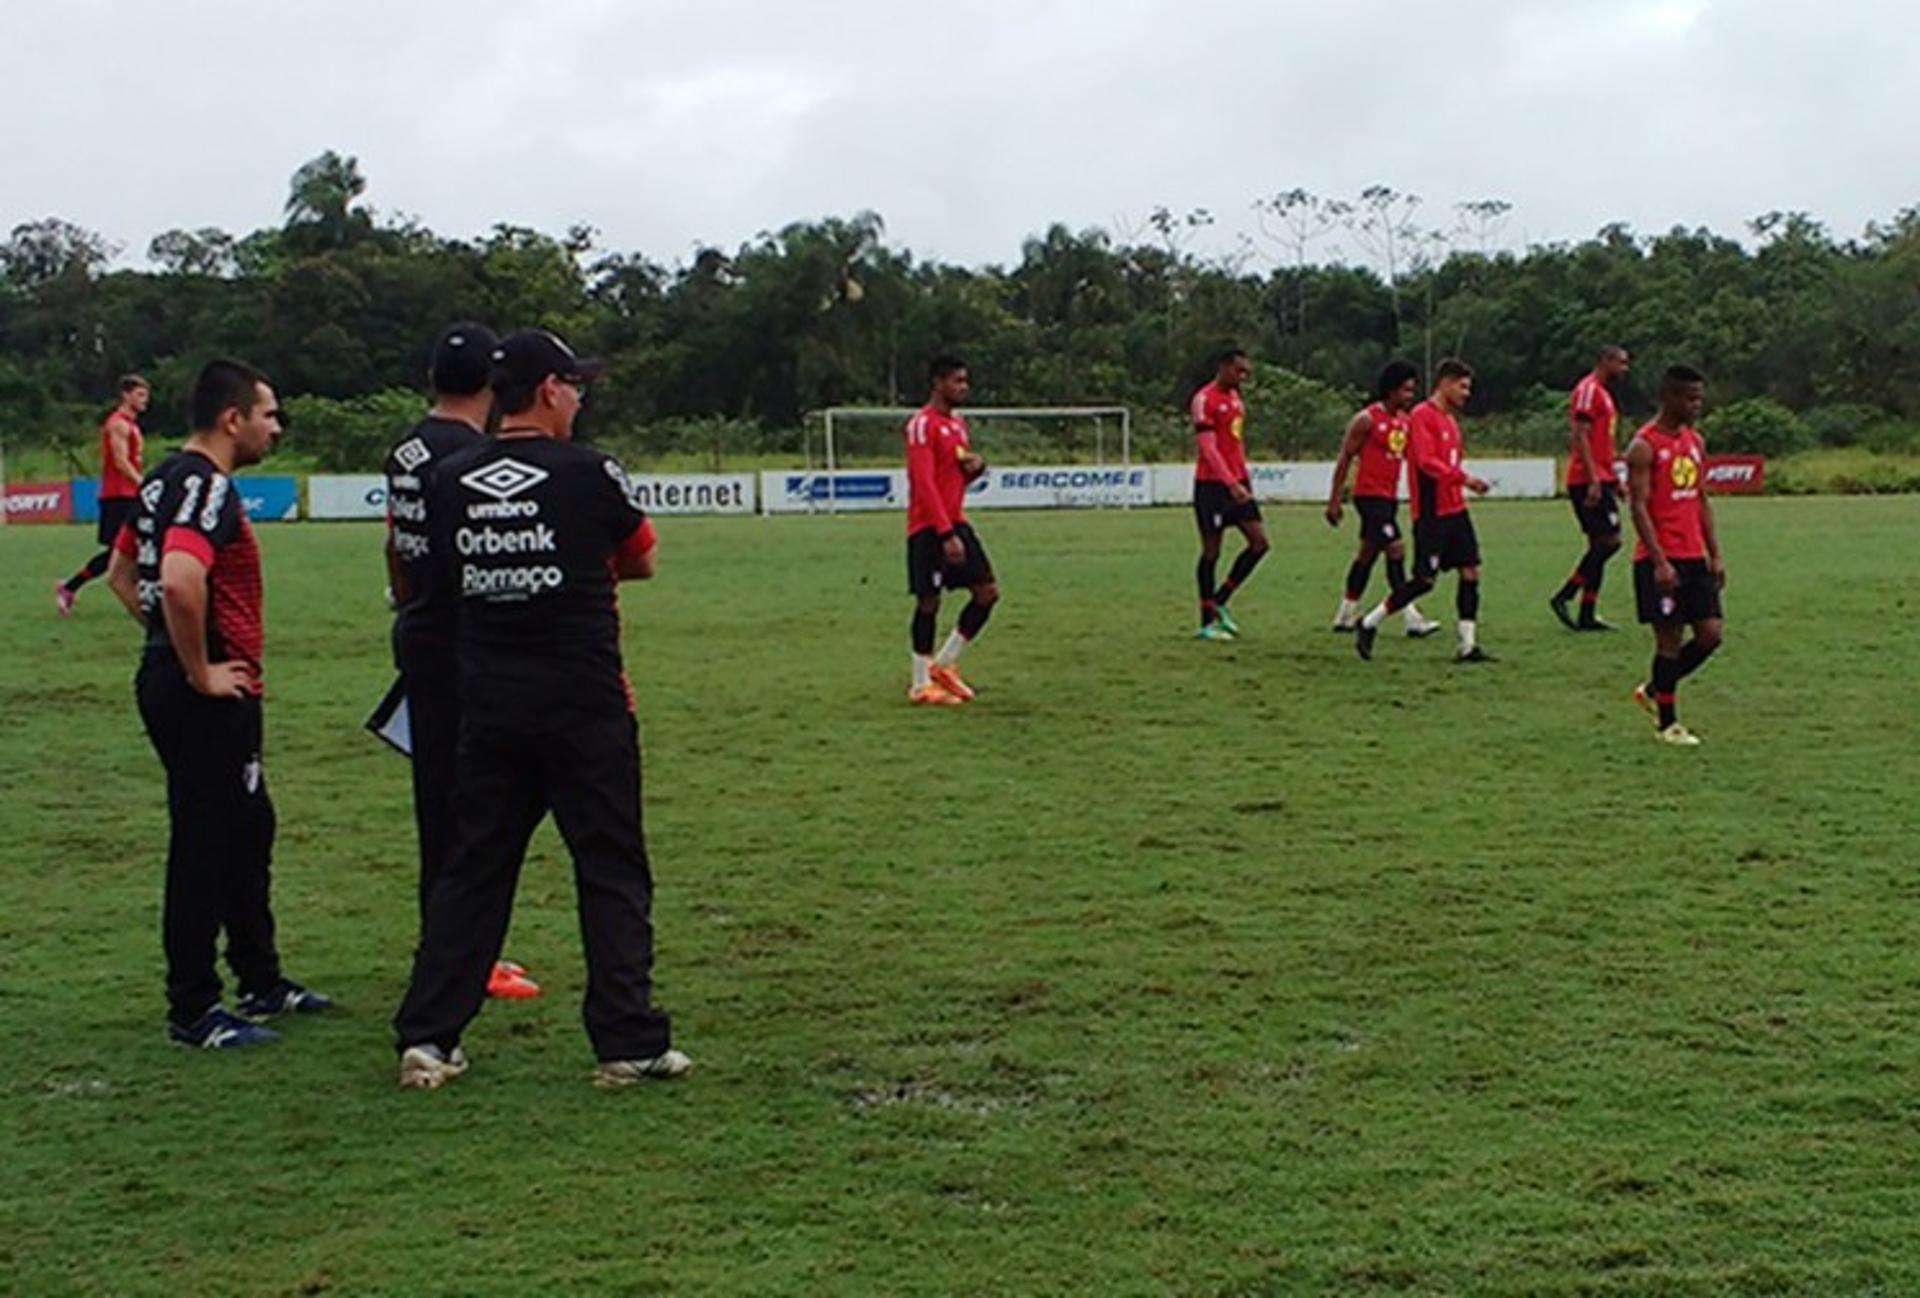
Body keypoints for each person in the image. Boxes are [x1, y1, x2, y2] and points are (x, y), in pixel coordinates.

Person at [392, 328, 688, 1089]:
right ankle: (627, 1040)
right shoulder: (592, 473)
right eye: (576, 385)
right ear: (550, 390)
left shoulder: (451, 479)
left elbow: (428, 572)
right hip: (585, 701)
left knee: (473, 871)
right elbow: (642, 557)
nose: (581, 398)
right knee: (611, 867)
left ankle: (429, 1036)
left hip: (487, 702)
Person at [102, 360, 329, 1049]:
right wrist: (196, 668)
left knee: (246, 824)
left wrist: (168, 651)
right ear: (233, 419)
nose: (276, 427)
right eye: (269, 414)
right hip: (203, 691)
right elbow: (176, 579)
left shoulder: (164, 477)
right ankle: (194, 1008)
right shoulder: (204, 486)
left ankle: (260, 978)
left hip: (178, 677)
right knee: (204, 838)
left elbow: (120, 571)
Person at [383, 323, 539, 1001]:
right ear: (491, 386)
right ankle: (465, 957)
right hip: (462, 641)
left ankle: (452, 947)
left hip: (419, 627)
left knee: (439, 804)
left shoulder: (407, 446)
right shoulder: (473, 457)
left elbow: (394, 543)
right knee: (470, 809)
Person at [1353, 359, 1495, 663]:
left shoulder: (1450, 422)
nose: (1466, 393)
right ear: (1444, 383)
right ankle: (1369, 623)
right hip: (1432, 512)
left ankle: (1467, 644)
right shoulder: (1421, 416)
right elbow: (1427, 462)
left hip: (1456, 509)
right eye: (1462, 386)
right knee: (1424, 581)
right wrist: (1466, 479)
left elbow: (1450, 464)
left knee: (1470, 571)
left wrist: (1462, 481)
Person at [1626, 366, 1726, 746]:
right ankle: (1668, 724)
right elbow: (1638, 507)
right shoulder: (1644, 446)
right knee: (1668, 640)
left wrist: (1714, 554)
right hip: (1659, 559)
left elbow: (1700, 499)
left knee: (1711, 635)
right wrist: (1659, 562)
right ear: (1669, 397)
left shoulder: (1695, 442)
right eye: (1690, 398)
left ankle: (1654, 688)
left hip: (1693, 556)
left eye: (1699, 398)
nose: (1697, 405)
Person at [903, 354, 997, 706]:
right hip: (929, 524)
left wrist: (976, 468)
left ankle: (943, 664)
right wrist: (944, 533)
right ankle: (919, 684)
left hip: (956, 519)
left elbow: (954, 475)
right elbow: (923, 482)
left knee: (987, 592)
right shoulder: (921, 425)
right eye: (957, 381)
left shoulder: (957, 425)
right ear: (938, 383)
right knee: (929, 601)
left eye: (964, 381)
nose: (964, 388)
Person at [1324, 359, 1439, 637]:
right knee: (1396, 549)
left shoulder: (1404, 422)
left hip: (1388, 497)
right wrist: (1334, 499)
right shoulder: (1367, 419)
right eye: (1406, 391)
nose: (1410, 396)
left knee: (1367, 554)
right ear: (1391, 390)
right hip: (1368, 496)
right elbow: (1345, 458)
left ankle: (1345, 613)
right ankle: (1410, 616)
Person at [1550, 345, 1632, 631]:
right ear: (1605, 361)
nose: (1625, 369)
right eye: (1621, 363)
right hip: (1586, 480)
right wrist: (1594, 478)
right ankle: (1565, 594)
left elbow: (1602, 441)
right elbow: (1580, 436)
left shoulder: (1604, 394)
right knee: (1610, 542)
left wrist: (1615, 479)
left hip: (1602, 477)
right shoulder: (1588, 390)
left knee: (1599, 544)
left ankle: (1587, 612)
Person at [1190, 347, 1269, 640]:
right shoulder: (1203, 399)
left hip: (1238, 481)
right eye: (1239, 371)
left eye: (1246, 371)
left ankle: (1220, 599)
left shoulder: (1236, 398)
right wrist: (1229, 484)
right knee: (1212, 551)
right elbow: (1208, 449)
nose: (1244, 376)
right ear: (1223, 367)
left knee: (1259, 544)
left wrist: (1244, 481)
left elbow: (1235, 445)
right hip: (1212, 486)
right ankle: (1206, 621)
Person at [55, 375, 149, 614]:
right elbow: (120, 461)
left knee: (131, 549)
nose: (144, 400)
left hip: (129, 495)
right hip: (117, 496)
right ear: (125, 395)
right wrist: (143, 483)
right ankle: (69, 587)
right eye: (139, 395)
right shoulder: (117, 424)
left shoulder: (132, 425)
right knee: (120, 553)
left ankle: (70, 587)